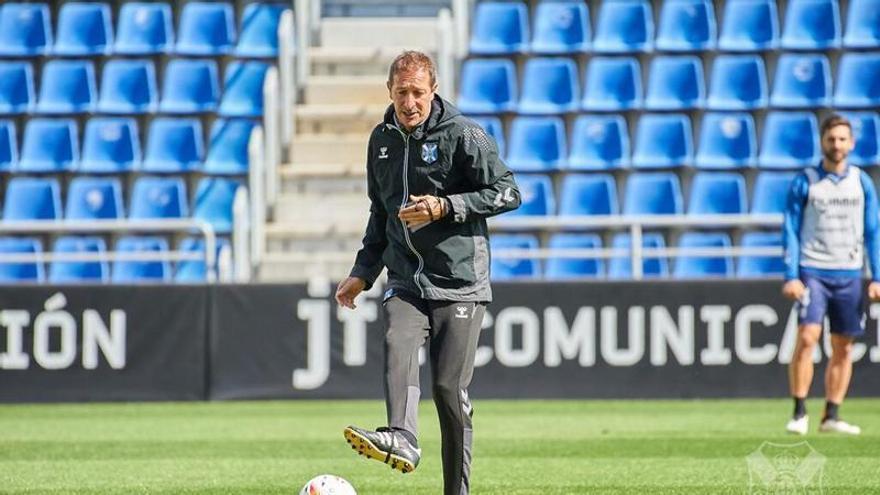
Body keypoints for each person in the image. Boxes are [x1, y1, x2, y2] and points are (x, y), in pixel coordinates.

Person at [335, 50, 520, 494]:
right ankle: (401, 436)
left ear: (433, 90)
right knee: (397, 340)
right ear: (390, 91)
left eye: (419, 92)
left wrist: (446, 206)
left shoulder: (464, 133)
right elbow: (380, 214)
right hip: (406, 280)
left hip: (460, 282)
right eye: (402, 92)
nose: (410, 101)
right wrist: (362, 271)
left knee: (446, 390)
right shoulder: (381, 140)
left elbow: (508, 191)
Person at [782, 114, 880, 435]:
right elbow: (791, 229)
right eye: (831, 139)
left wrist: (876, 276)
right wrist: (791, 274)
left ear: (851, 143)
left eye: (842, 139)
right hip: (813, 270)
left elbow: (873, 231)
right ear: (822, 142)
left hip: (849, 272)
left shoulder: (861, 182)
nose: (836, 145)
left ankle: (831, 416)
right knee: (808, 337)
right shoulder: (807, 180)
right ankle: (799, 412)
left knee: (843, 346)